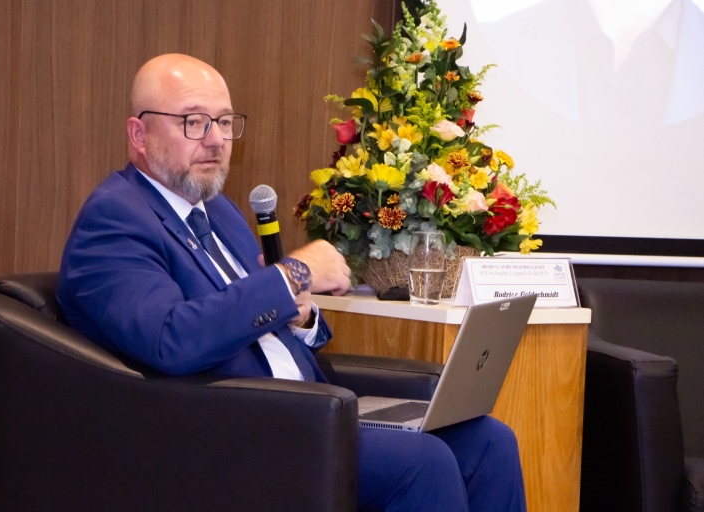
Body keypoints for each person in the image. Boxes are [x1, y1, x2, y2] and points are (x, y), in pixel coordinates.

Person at [58, 53, 527, 512]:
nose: (216, 140)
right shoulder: (115, 219)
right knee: (422, 463)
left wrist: (301, 316)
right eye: (194, 121)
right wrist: (294, 273)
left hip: (311, 414)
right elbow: (171, 338)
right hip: (228, 436)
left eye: (224, 122)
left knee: (488, 440)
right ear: (138, 134)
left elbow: (266, 319)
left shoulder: (216, 212)